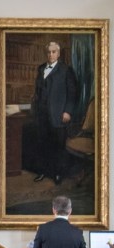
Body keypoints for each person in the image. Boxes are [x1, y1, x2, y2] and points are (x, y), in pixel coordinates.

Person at [31, 41, 78, 186]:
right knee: (42, 144)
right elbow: (38, 92)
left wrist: (68, 111)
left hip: (58, 115)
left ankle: (58, 173)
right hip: (42, 114)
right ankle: (43, 171)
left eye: (53, 52)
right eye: (48, 52)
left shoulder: (66, 70)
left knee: (58, 146)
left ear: (58, 53)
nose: (51, 55)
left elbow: (72, 93)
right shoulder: (40, 69)